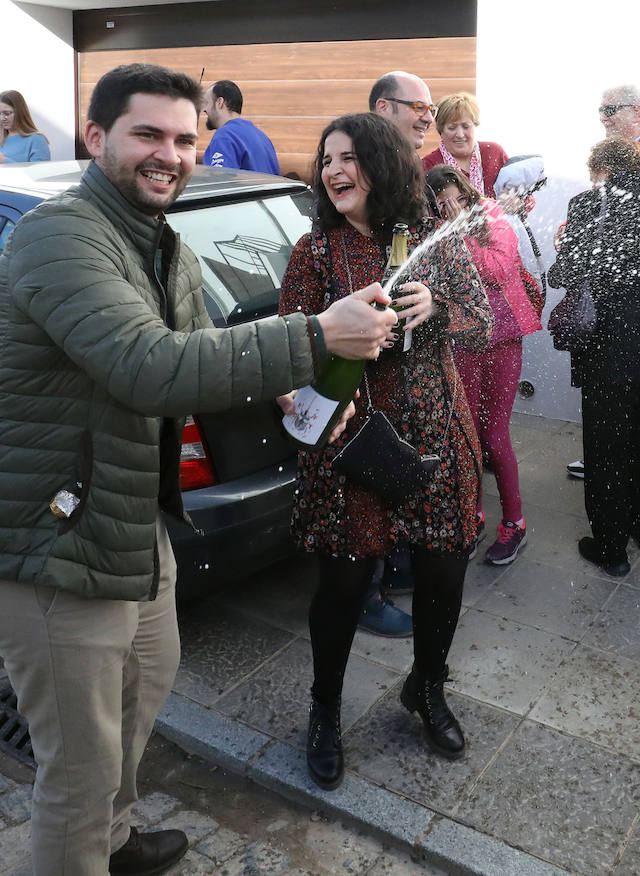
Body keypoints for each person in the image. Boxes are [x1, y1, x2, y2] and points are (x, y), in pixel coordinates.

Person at [0, 63, 393, 876]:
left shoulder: (163, 241)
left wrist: (291, 390)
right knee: (74, 771)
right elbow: (148, 366)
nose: (171, 154)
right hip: (55, 542)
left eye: (185, 137)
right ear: (98, 138)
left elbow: (199, 358)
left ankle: (115, 842)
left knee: (140, 697)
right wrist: (317, 336)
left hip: (135, 525)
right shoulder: (59, 235)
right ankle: (85, 844)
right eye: (149, 134)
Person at [278, 112, 493, 790]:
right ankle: (323, 711)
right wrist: (294, 387)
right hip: (352, 442)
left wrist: (440, 310)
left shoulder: (430, 237)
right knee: (343, 584)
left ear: (383, 165)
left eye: (350, 157)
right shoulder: (315, 251)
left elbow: (485, 322)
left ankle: (426, 689)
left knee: (442, 574)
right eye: (327, 158)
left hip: (436, 437)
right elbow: (288, 341)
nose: (334, 170)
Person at [548, 139, 640, 575]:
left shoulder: (588, 205)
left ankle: (611, 549)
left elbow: (566, 274)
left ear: (601, 171)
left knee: (607, 449)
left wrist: (566, 249)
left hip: (609, 351)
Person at [360, 69, 441, 637]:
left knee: (395, 468)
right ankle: (365, 593)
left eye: (432, 109)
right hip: (360, 367)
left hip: (407, 363)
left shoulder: (419, 180)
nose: (429, 118)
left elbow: (453, 282)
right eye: (420, 107)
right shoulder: (358, 169)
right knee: (364, 481)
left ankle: (395, 560)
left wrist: (434, 301)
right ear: (385, 108)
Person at [426, 163, 541, 565]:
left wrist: (457, 234)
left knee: (494, 435)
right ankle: (472, 514)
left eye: (458, 197)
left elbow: (497, 270)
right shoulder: (434, 232)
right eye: (442, 204)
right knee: (468, 432)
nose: (453, 207)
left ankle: (514, 522)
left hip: (503, 338)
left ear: (468, 190)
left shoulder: (492, 215)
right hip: (462, 339)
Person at [421, 92, 509, 197]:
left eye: (466, 126)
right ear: (441, 130)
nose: (460, 134)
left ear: (475, 125)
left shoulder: (494, 152)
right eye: (452, 128)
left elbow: (526, 196)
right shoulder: (427, 165)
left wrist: (516, 201)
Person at [200, 79, 281, 174]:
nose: (204, 109)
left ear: (219, 102)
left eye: (207, 103)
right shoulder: (262, 137)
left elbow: (219, 182)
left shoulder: (224, 136)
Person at [0, 89, 51, 163]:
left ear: (20, 112)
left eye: (7, 113)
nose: (2, 118)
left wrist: (3, 160)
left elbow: (41, 173)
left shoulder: (36, 140)